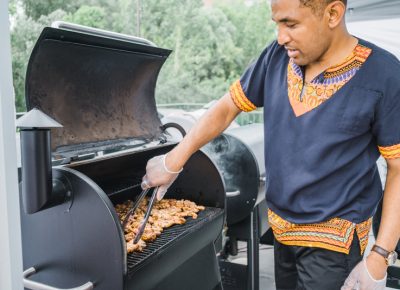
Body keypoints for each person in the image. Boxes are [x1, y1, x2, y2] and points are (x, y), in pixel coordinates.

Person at [141, 0, 400, 289]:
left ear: (333, 14)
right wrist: (173, 160)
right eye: (277, 24)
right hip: (282, 232)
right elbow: (228, 106)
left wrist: (380, 255)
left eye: (291, 24)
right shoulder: (277, 57)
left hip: (334, 244)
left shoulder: (384, 75)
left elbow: (398, 168)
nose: (280, 37)